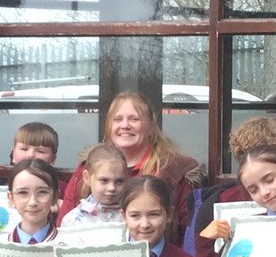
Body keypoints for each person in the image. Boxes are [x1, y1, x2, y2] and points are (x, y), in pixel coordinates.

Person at [58, 92, 201, 235]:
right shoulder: (88, 166)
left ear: (150, 125)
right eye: (118, 119)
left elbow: (187, 233)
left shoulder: (174, 171)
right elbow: (65, 224)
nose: (125, 125)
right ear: (108, 126)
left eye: (134, 119)